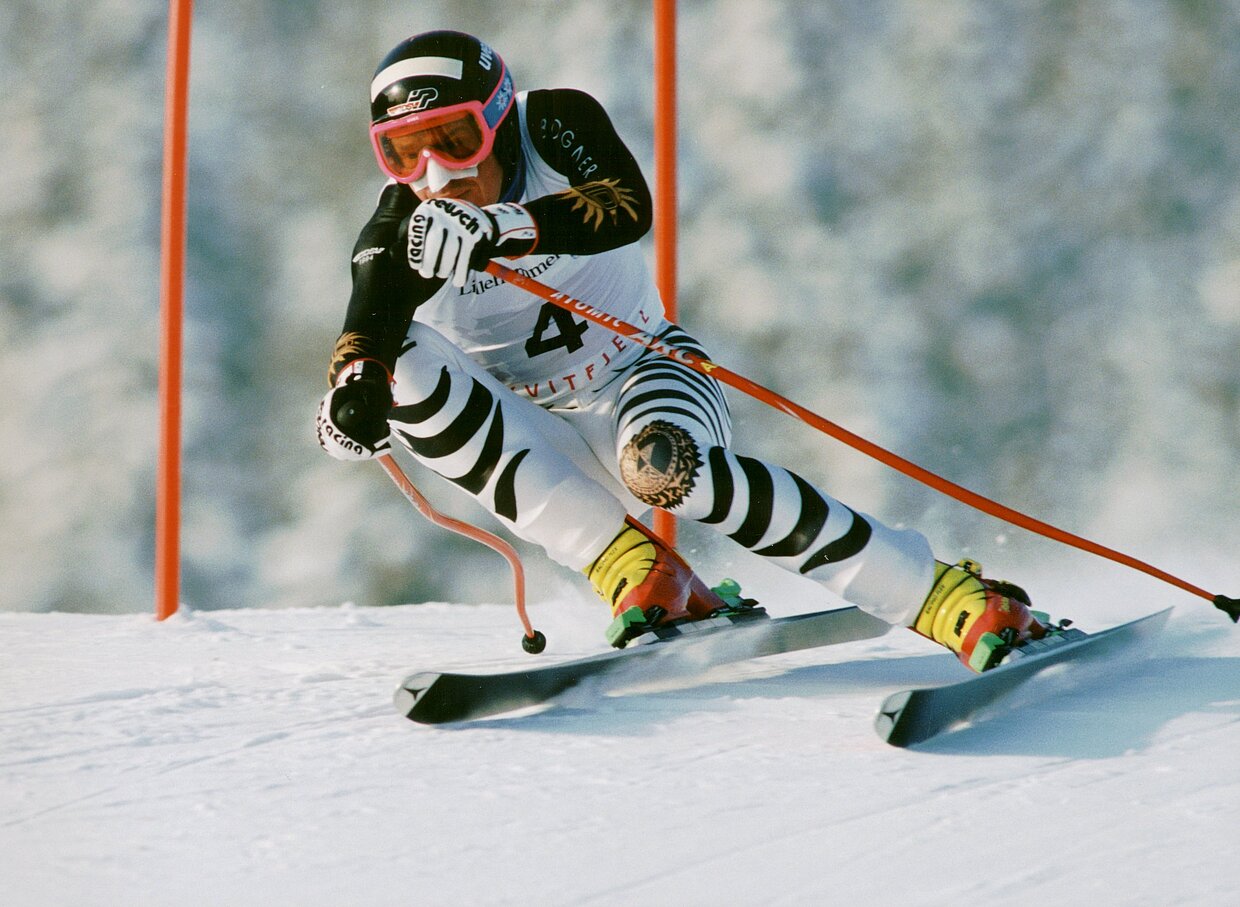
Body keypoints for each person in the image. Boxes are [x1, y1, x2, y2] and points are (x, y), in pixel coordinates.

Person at [316, 29, 1046, 671]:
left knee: (668, 471)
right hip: (537, 435)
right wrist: (352, 401)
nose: (437, 174)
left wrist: (507, 226)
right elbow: (366, 334)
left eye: (456, 139)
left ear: (501, 120)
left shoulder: (552, 123)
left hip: (641, 371)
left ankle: (947, 596)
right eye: (404, 154)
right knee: (399, 366)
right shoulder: (400, 229)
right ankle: (637, 572)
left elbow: (627, 203)